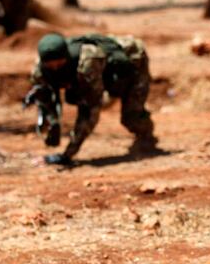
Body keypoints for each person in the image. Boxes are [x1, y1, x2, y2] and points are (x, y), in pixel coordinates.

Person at [28, 33, 157, 165]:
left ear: (66, 57)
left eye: (59, 63)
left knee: (131, 117)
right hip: (104, 70)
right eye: (50, 65)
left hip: (134, 61)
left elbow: (90, 111)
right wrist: (52, 122)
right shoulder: (39, 71)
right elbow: (44, 98)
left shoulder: (87, 64)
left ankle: (147, 139)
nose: (55, 68)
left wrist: (67, 155)